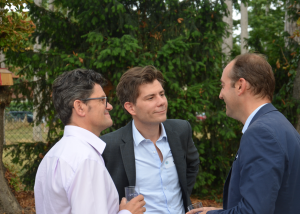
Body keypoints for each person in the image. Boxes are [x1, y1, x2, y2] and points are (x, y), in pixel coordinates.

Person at [187, 53, 300, 214]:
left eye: (222, 85)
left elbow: (254, 211)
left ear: (240, 86)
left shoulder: (261, 133)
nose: (220, 94)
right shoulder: (279, 125)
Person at [34, 69, 146, 214]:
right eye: (102, 100)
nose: (109, 106)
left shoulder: (52, 156)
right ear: (80, 107)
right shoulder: (86, 159)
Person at [101, 66, 200, 214]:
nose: (161, 102)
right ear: (131, 107)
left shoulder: (181, 130)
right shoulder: (110, 146)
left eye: (162, 94)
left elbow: (192, 165)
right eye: (151, 97)